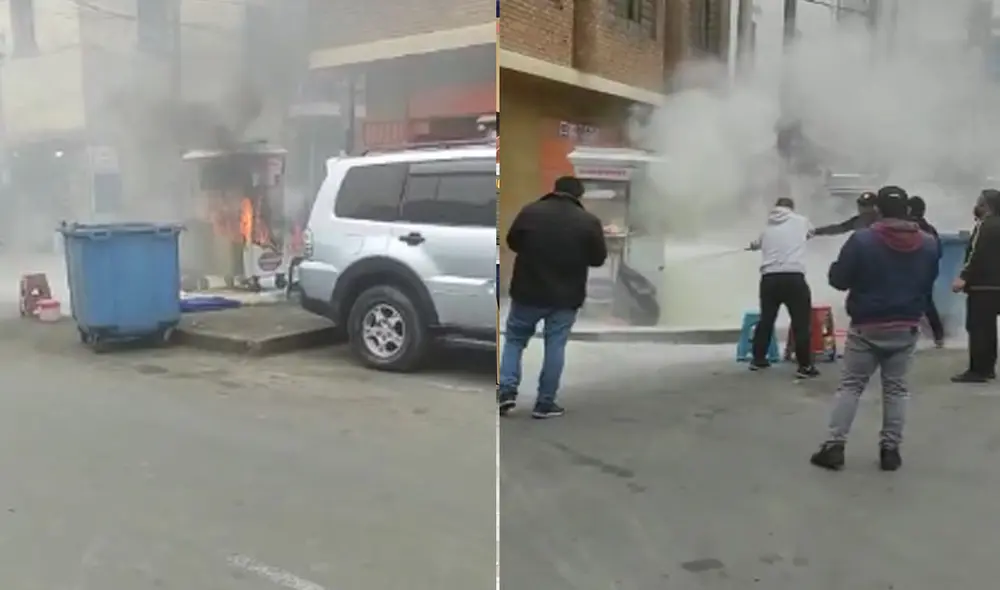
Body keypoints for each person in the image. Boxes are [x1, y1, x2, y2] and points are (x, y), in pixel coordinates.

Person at [810, 186, 938, 472]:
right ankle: (890, 451)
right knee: (896, 390)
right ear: (906, 210)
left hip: (867, 325)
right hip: (905, 325)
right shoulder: (929, 243)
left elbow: (839, 280)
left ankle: (834, 446)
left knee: (851, 387)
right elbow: (928, 281)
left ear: (877, 210)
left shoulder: (862, 240)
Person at [497, 176, 607, 419]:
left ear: (554, 190)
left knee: (515, 341)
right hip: (566, 297)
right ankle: (545, 403)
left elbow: (512, 242)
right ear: (579, 196)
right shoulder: (589, 222)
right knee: (555, 346)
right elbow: (598, 259)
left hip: (527, 292)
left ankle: (506, 392)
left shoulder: (531, 212)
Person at [746, 197, 821, 378]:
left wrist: (754, 246)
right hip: (793, 276)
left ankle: (758, 359)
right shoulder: (801, 221)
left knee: (767, 319)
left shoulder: (767, 228)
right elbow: (811, 234)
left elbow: (756, 244)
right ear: (791, 208)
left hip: (769, 278)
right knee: (801, 322)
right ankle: (804, 366)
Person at [950, 189, 1000, 383]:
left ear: (987, 205)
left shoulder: (985, 225)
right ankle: (988, 367)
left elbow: (975, 254)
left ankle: (978, 370)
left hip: (983, 285)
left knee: (979, 328)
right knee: (990, 330)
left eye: (979, 202)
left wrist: (963, 277)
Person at [907, 195, 945, 346]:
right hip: (928, 273)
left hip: (910, 272)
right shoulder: (930, 228)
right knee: (928, 304)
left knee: (907, 303)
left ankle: (911, 335)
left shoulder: (908, 227)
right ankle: (938, 336)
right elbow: (939, 252)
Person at [812, 191, 878, 236]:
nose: (862, 208)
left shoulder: (882, 219)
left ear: (875, 206)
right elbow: (840, 228)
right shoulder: (857, 221)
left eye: (866, 205)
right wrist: (817, 231)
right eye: (860, 204)